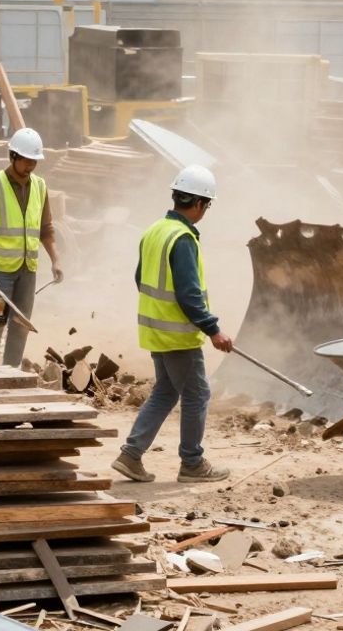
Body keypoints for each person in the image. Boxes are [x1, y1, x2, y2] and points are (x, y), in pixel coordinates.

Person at [113, 165, 233, 484]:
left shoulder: (154, 230)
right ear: (198, 204)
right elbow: (189, 295)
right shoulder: (182, 239)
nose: (205, 211)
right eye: (207, 206)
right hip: (178, 336)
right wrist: (213, 329)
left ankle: (130, 455)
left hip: (155, 331)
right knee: (197, 394)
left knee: (166, 391)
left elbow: (140, 279)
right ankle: (192, 463)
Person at [0, 127, 63, 367]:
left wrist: (55, 260)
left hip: (27, 271)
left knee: (21, 325)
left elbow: (46, 229)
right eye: (26, 160)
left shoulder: (40, 187)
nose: (30, 165)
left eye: (34, 161)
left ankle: (11, 373)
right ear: (13, 156)